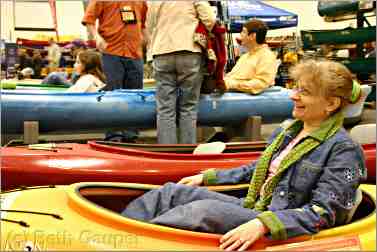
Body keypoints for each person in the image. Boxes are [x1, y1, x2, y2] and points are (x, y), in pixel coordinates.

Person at [122, 59, 367, 251]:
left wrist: (263, 224)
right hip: (255, 204)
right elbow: (257, 169)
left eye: (304, 92)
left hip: (276, 216)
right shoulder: (289, 131)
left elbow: (323, 212)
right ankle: (119, 237)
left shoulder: (344, 150)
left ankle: (138, 244)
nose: (293, 95)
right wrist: (208, 177)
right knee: (171, 192)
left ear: (331, 104)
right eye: (295, 88)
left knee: (200, 212)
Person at [146, 1, 216, 144]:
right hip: (189, 50)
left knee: (165, 108)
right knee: (188, 107)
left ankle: (167, 153)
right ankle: (187, 151)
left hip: (162, 51)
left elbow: (149, 26)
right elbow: (210, 20)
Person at [82, 0, 147, 91]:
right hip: (111, 51)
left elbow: (143, 24)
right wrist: (96, 36)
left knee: (136, 92)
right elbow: (89, 19)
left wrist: (148, 41)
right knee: (112, 91)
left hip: (135, 53)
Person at [224, 19, 277, 94]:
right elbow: (232, 76)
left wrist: (234, 85)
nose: (240, 34)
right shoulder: (245, 56)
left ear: (252, 36)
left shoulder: (266, 56)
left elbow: (261, 83)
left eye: (243, 31)